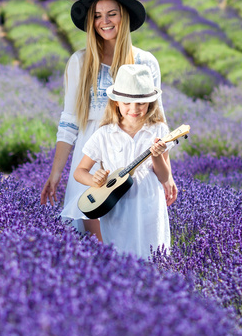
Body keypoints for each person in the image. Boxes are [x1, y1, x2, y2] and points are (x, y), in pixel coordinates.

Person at [40, 0, 177, 237]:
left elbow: (157, 122)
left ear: (123, 17)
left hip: (135, 156)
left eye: (111, 13)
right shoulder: (80, 62)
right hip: (91, 158)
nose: (105, 21)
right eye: (97, 16)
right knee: (98, 243)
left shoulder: (146, 61)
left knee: (135, 237)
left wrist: (167, 176)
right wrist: (56, 173)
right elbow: (69, 122)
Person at [72, 64, 174, 258]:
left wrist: (156, 155)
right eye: (127, 102)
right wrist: (94, 179)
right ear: (116, 102)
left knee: (152, 253)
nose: (133, 109)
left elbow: (164, 175)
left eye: (140, 103)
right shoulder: (104, 134)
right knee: (120, 256)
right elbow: (80, 171)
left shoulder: (159, 130)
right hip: (117, 207)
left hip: (149, 203)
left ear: (150, 103)